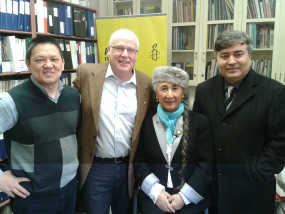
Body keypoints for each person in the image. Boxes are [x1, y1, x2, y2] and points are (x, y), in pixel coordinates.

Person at [193, 30, 285, 214]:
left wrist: (257, 172)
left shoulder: (274, 92)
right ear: (217, 59)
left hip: (253, 192)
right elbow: (198, 134)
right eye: (224, 56)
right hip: (213, 190)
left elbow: (280, 142)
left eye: (238, 54)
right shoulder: (204, 91)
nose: (231, 61)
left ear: (250, 56)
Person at [73, 28, 153, 214]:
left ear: (136, 54)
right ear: (108, 50)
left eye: (131, 50)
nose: (125, 54)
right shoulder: (87, 74)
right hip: (95, 167)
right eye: (119, 48)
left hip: (128, 168)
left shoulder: (146, 83)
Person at [0, 36, 81, 214]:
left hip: (69, 190)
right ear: (28, 64)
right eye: (40, 60)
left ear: (62, 62)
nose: (48, 64)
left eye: (53, 59)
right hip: (32, 197)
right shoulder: (11, 101)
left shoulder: (74, 96)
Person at [134, 66, 213, 214]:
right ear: (156, 93)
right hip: (154, 200)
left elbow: (205, 165)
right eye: (164, 88)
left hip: (189, 202)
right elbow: (139, 161)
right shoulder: (145, 122)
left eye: (175, 88)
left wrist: (183, 197)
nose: (169, 94)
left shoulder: (200, 123)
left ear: (183, 93)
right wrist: (156, 192)